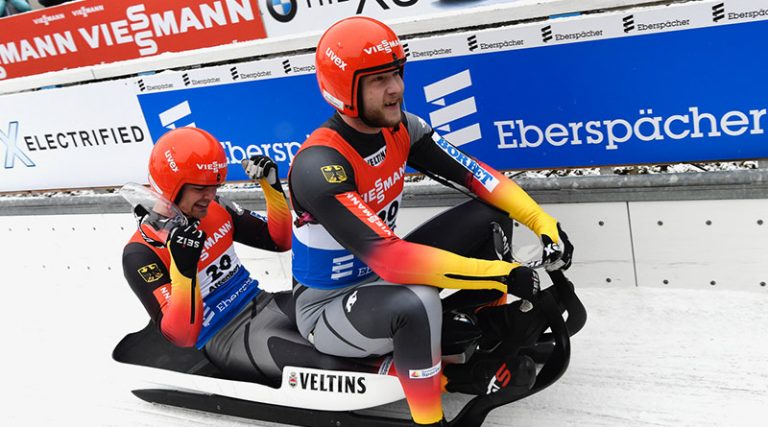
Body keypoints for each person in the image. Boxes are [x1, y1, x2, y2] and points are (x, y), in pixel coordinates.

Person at [288, 17, 574, 426]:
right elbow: (390, 259)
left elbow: (479, 177)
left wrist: (542, 222)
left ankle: (481, 339)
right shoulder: (319, 165)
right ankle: (430, 420)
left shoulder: (401, 126)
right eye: (378, 81)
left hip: (380, 276)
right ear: (344, 91)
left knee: (490, 218)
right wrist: (501, 274)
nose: (396, 89)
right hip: (327, 304)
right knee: (415, 304)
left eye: (397, 74)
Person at [121, 127, 373, 384]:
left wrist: (272, 188)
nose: (210, 197)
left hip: (263, 302)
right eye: (200, 188)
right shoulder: (140, 253)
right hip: (226, 335)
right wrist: (184, 272)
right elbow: (183, 336)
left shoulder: (216, 208)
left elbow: (279, 242)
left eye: (214, 187)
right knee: (334, 367)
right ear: (170, 186)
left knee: (356, 319)